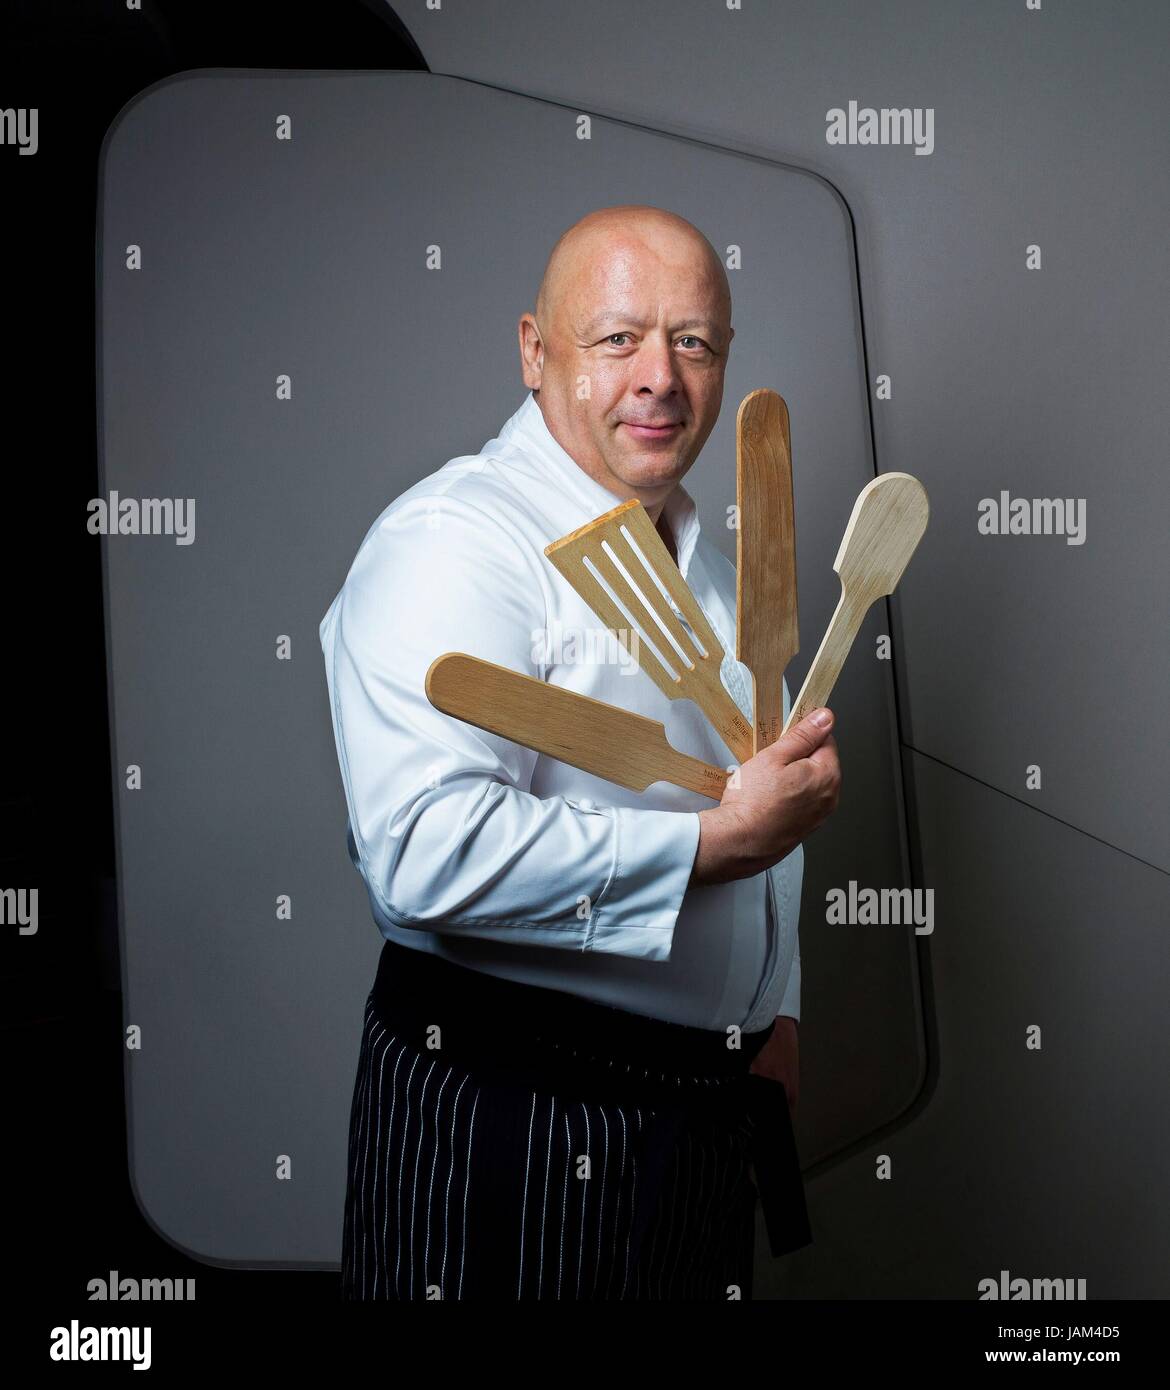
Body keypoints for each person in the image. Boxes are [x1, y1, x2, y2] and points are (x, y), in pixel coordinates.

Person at [319, 204, 841, 1301]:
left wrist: (774, 1005)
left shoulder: (713, 564)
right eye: (618, 339)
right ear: (533, 350)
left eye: (693, 341)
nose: (659, 375)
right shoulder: (456, 542)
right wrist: (705, 845)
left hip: (700, 1117)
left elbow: (769, 792)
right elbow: (421, 853)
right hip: (515, 1110)